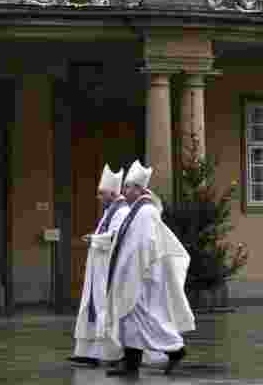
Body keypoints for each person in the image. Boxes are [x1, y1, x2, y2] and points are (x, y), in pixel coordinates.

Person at [103, 160, 194, 378]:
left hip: (141, 277)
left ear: (139, 189)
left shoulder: (145, 212)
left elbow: (143, 246)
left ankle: (176, 351)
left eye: (127, 187)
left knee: (147, 321)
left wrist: (130, 271)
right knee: (130, 322)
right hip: (133, 274)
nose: (124, 191)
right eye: (124, 187)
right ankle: (131, 364)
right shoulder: (137, 211)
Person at [70, 164, 130, 367]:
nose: (98, 197)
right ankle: (89, 351)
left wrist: (94, 239)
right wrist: (95, 238)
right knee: (93, 308)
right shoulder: (109, 211)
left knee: (103, 308)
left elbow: (115, 237)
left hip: (107, 271)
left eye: (101, 193)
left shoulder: (121, 212)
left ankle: (108, 352)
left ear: (113, 193)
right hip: (99, 269)